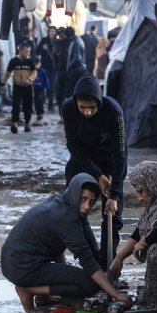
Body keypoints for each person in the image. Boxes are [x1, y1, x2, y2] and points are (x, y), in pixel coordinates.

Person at [1, 173, 131, 313]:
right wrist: (115, 294)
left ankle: (42, 296)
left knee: (72, 273)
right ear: (75, 195)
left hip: (12, 261)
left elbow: (66, 245)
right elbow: (87, 259)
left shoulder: (61, 203)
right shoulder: (65, 218)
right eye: (83, 199)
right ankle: (28, 290)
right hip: (22, 267)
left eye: (91, 201)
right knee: (91, 284)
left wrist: (66, 271)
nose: (87, 206)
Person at [62, 74, 127, 270]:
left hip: (109, 163)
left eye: (92, 107)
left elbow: (121, 153)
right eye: (83, 107)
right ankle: (89, 261)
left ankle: (107, 265)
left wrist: (114, 193)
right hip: (81, 162)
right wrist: (97, 176)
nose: (87, 112)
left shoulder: (113, 111)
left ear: (99, 102)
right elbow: (73, 147)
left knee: (112, 214)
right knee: (76, 211)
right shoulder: (68, 108)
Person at [109, 161, 157, 309]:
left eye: (140, 191)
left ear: (153, 183)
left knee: (156, 252)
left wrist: (145, 242)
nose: (139, 198)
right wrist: (119, 258)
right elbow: (142, 229)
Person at [0, 41, 37, 133]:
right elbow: (8, 73)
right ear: (20, 51)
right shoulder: (13, 61)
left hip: (28, 87)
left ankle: (27, 124)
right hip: (17, 86)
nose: (28, 53)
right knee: (16, 105)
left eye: (29, 51)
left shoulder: (30, 62)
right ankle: (15, 124)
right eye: (26, 51)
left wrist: (29, 80)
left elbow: (35, 73)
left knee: (27, 106)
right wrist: (3, 83)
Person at [37, 26, 58, 110]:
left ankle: (50, 104)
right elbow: (37, 51)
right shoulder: (44, 40)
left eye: (53, 31)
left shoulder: (57, 42)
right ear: (48, 32)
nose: (52, 33)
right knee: (42, 86)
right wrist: (42, 48)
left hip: (54, 68)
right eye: (50, 31)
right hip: (44, 67)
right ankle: (40, 105)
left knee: (52, 87)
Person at [64, 26, 87, 98]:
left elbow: (76, 57)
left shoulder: (76, 42)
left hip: (76, 70)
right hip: (79, 69)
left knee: (73, 91)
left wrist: (69, 67)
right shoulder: (78, 40)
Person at [32, 57, 51, 124]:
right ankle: (38, 113)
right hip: (34, 89)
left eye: (38, 64)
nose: (36, 66)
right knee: (35, 101)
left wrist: (47, 88)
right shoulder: (32, 71)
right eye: (35, 64)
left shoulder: (43, 71)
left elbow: (46, 80)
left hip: (41, 89)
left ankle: (41, 112)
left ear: (40, 64)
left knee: (40, 100)